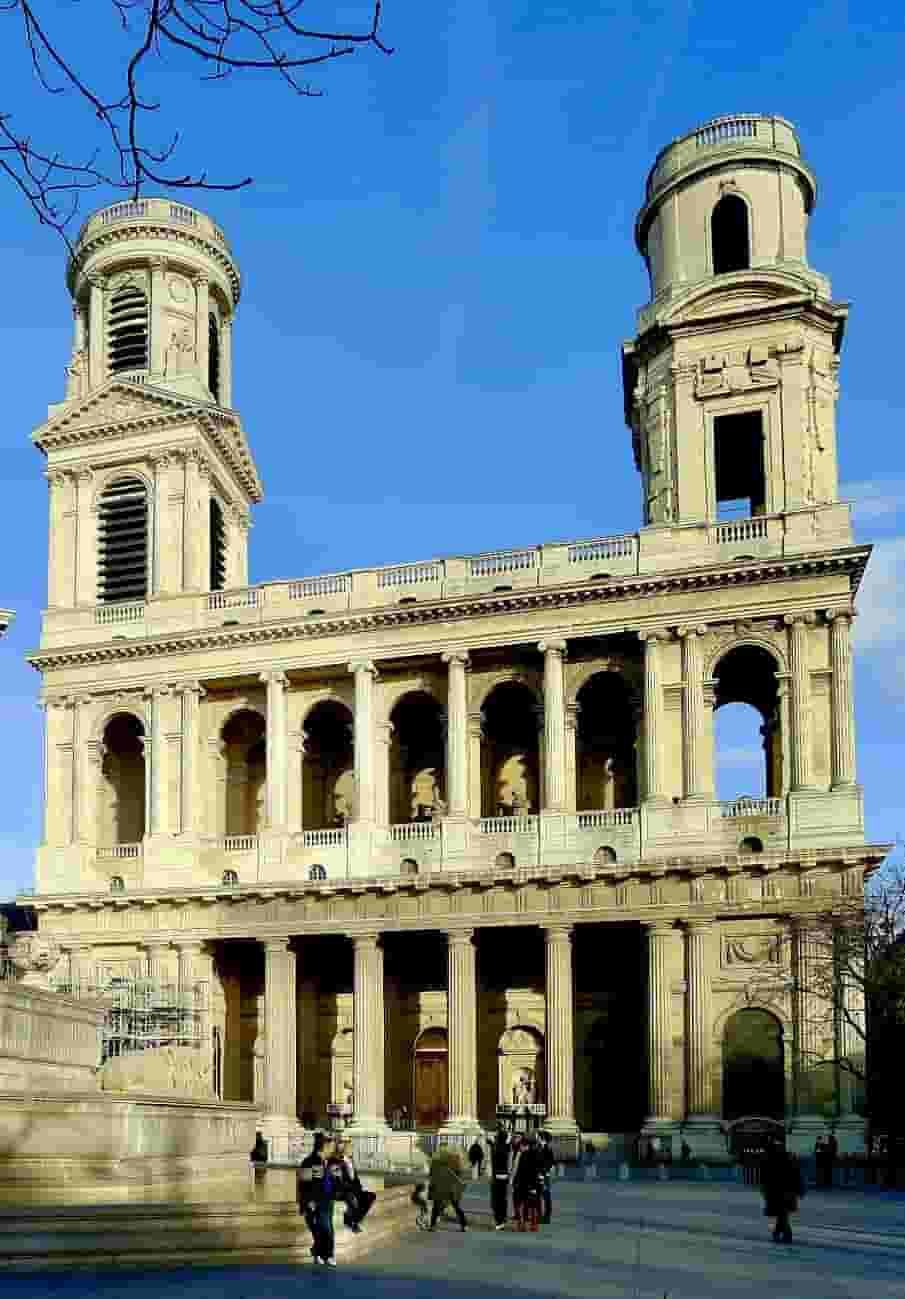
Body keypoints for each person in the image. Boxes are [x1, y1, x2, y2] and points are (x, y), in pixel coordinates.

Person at [300, 1133, 339, 1266]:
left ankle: (319, 1253)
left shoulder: (332, 1162)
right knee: (325, 1229)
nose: (333, 1149)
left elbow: (336, 1181)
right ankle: (327, 1255)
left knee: (327, 1229)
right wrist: (308, 1202)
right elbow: (305, 1184)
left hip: (329, 1201)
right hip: (318, 1202)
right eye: (331, 1147)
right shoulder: (310, 1162)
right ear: (324, 1146)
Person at [760, 1139, 805, 1244]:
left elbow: (766, 1178)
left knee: (782, 1214)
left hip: (778, 1192)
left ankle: (785, 1234)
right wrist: (800, 1189)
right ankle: (779, 1233)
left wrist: (765, 1190)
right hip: (787, 1191)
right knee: (783, 1214)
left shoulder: (769, 1160)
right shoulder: (788, 1158)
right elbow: (796, 1175)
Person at [335, 1142, 376, 1233]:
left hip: (354, 1189)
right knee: (353, 1199)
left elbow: (355, 1178)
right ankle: (352, 1223)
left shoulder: (351, 1161)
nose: (351, 1150)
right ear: (344, 1150)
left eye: (351, 1148)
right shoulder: (339, 1163)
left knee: (371, 1196)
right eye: (349, 1148)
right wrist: (352, 1188)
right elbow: (340, 1181)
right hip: (344, 1191)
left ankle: (354, 1219)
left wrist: (359, 1187)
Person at [428, 1145, 468, 1231]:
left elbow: (431, 1174)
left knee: (436, 1206)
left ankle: (432, 1225)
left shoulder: (435, 1161)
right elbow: (459, 1173)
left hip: (439, 1186)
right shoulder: (454, 1159)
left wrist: (432, 1186)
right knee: (456, 1206)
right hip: (451, 1187)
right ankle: (464, 1225)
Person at [512, 1133, 544, 1232]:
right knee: (524, 1204)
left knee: (529, 1205)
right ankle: (525, 1224)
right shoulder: (524, 1154)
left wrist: (534, 1186)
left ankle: (531, 1225)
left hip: (529, 1184)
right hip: (523, 1184)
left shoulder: (531, 1155)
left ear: (526, 1145)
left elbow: (534, 1172)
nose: (520, 1147)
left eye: (522, 1145)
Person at [489, 1126, 511, 1230]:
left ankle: (499, 1220)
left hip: (497, 1176)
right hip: (504, 1176)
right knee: (503, 1199)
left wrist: (492, 1144)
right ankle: (502, 1219)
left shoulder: (498, 1148)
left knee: (496, 1200)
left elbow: (496, 1154)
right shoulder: (506, 1147)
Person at [538, 1131, 555, 1225]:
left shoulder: (547, 1149)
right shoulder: (539, 1148)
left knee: (546, 1196)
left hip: (544, 1176)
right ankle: (540, 1215)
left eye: (539, 1137)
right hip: (540, 1175)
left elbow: (550, 1162)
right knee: (540, 1196)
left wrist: (543, 1173)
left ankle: (547, 1216)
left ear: (542, 1138)